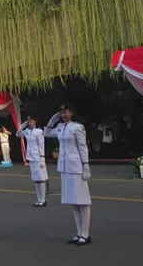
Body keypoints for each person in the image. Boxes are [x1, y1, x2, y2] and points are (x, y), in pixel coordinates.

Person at [45, 104, 92, 246]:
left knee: (82, 201)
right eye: (61, 112)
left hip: (76, 166)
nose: (64, 115)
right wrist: (51, 122)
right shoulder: (59, 127)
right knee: (73, 202)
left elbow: (82, 147)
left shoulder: (78, 127)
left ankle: (86, 233)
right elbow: (46, 133)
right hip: (65, 167)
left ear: (72, 113)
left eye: (66, 112)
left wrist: (86, 165)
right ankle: (79, 233)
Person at [16, 116, 48, 207]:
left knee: (40, 179)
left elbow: (41, 145)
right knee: (36, 179)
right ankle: (39, 199)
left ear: (35, 121)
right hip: (31, 157)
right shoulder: (27, 131)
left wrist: (42, 157)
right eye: (28, 121)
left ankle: (43, 200)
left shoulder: (39, 131)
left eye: (31, 121)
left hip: (38, 157)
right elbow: (18, 134)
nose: (29, 123)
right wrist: (23, 125)